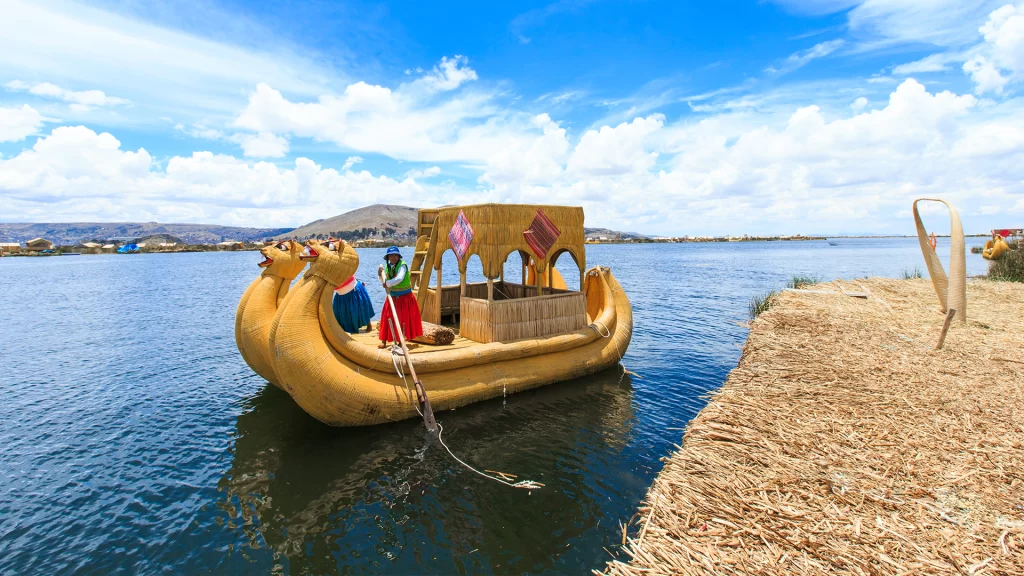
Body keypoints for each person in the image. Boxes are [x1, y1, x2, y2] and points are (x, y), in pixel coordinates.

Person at [377, 246, 423, 349]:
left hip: (404, 298)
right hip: (392, 297)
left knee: (403, 320)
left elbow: (399, 278)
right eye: (391, 255)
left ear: (398, 256)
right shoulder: (387, 266)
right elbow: (383, 281)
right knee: (387, 317)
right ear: (388, 257)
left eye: (395, 255)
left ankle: (401, 341)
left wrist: (387, 283)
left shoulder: (403, 266)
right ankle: (384, 341)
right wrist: (380, 274)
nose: (393, 257)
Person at [331, 241, 375, 334]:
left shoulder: (343, 262)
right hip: (341, 293)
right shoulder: (329, 264)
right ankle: (346, 329)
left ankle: (369, 325)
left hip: (353, 289)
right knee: (340, 313)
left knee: (360, 309)